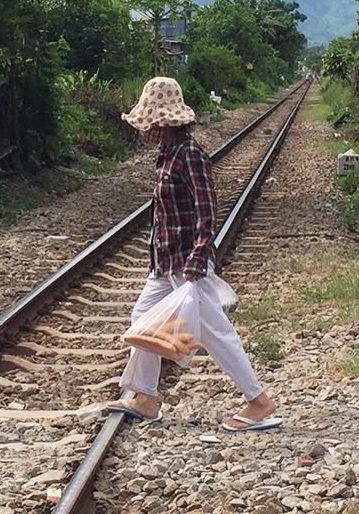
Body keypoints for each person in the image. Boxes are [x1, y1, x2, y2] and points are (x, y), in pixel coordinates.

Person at [106, 77, 281, 433]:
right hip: (166, 261)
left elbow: (206, 211)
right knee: (142, 318)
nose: (148, 129)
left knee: (215, 332)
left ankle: (259, 402)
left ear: (165, 122)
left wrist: (200, 256)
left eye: (151, 122)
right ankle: (146, 397)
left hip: (187, 262)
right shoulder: (167, 156)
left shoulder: (190, 154)